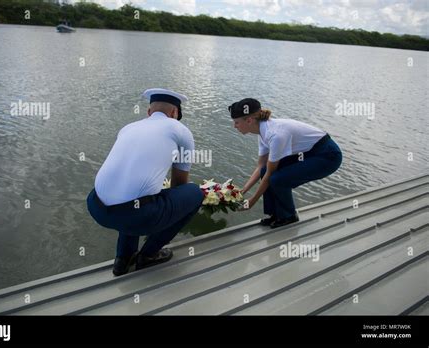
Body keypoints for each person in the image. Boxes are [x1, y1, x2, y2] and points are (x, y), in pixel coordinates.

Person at [87, 88, 204, 276]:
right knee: (195, 193)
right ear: (174, 113)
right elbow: (179, 184)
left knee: (133, 197)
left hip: (95, 206)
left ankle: (122, 259)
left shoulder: (128, 127)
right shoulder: (181, 131)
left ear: (149, 112)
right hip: (135, 216)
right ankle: (149, 254)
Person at [229, 98, 342, 228]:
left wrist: (252, 201)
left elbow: (270, 174)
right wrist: (242, 191)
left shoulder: (275, 135)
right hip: (310, 152)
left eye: (237, 122)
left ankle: (288, 216)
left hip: (328, 156)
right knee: (265, 171)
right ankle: (276, 214)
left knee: (277, 179)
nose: (235, 126)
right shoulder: (262, 131)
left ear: (249, 120)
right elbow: (261, 167)